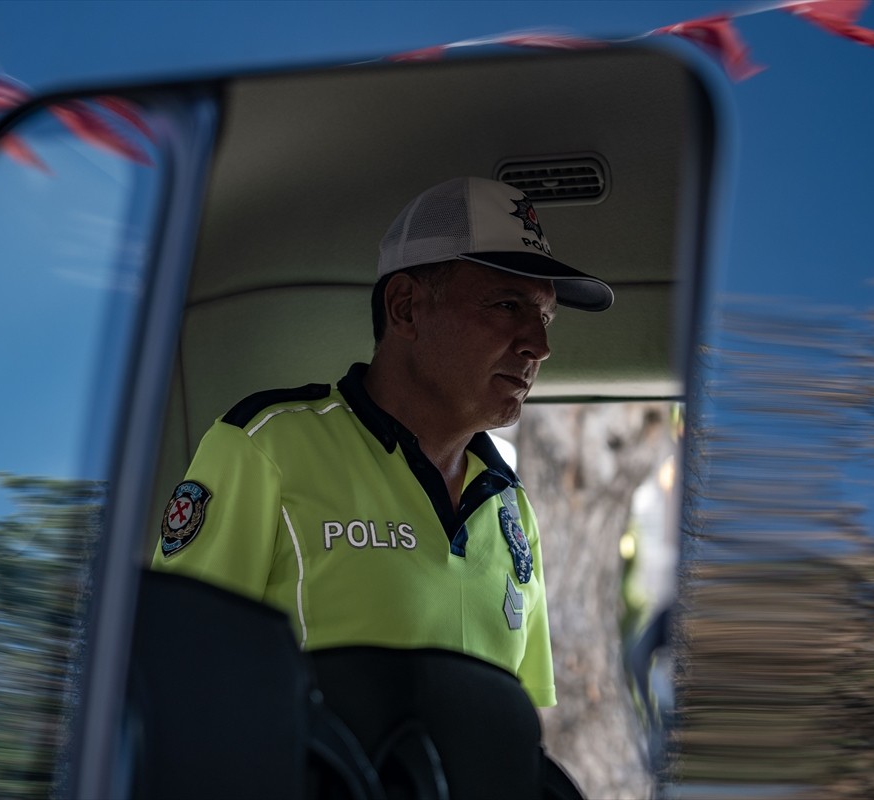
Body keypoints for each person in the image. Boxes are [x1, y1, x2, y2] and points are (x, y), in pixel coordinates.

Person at [151, 176, 613, 709]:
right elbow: (174, 680)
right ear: (406, 308)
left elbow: (519, 727)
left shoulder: (512, 508)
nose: (541, 344)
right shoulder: (265, 447)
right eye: (508, 305)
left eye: (546, 316)